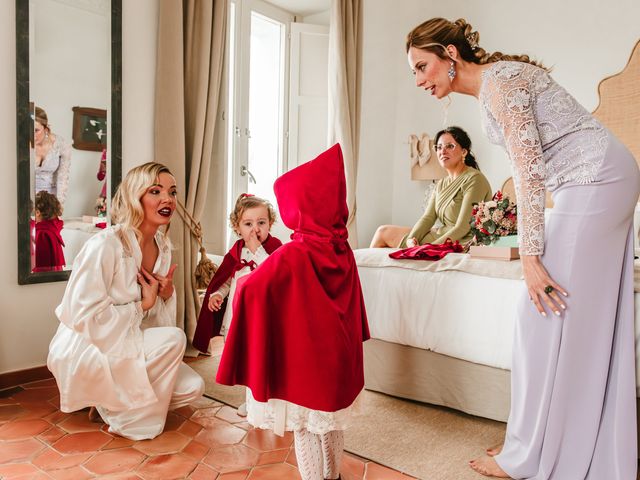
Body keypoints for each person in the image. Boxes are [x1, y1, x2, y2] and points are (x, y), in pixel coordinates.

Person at [405, 18, 639, 479]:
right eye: (413, 72)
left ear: (450, 55)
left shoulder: (500, 84)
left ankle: (531, 451)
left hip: (594, 179)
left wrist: (531, 259)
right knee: (574, 320)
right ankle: (542, 440)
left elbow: (529, 178)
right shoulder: (493, 84)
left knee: (541, 314)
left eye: (422, 66)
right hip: (599, 178)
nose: (419, 80)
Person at [216, 144, 370, 480]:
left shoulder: (295, 253)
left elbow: (251, 288)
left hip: (304, 366)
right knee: (330, 423)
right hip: (337, 363)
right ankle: (334, 477)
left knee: (304, 428)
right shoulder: (342, 249)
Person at [47, 162, 205, 441]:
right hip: (90, 345)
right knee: (175, 340)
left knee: (193, 387)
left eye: (172, 191)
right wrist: (141, 305)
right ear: (136, 196)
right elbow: (82, 316)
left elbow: (155, 321)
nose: (168, 199)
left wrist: (165, 297)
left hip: (131, 339)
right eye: (155, 191)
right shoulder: (106, 245)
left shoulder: (163, 247)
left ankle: (109, 402)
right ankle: (124, 419)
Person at [192, 193, 282, 415]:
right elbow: (227, 279)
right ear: (237, 227)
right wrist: (218, 295)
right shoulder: (236, 252)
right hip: (239, 314)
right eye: (248, 224)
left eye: (261, 223)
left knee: (264, 357)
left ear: (270, 223)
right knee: (247, 359)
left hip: (264, 316)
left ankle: (269, 400)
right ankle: (251, 402)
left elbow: (274, 272)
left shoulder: (275, 248)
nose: (255, 230)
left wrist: (257, 251)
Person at [370, 126, 491, 248]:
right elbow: (428, 217)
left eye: (450, 146)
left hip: (460, 240)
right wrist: (412, 238)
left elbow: (463, 227)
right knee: (382, 231)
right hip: (441, 235)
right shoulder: (441, 184)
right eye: (439, 147)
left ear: (464, 151)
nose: (442, 151)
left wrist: (430, 248)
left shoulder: (474, 179)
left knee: (383, 233)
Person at [33, 107, 71, 206]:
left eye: (36, 130)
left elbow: (63, 177)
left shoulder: (60, 144)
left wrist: (59, 205)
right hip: (27, 197)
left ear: (45, 129)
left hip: (50, 199)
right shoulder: (23, 145)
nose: (32, 135)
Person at [33, 190, 66, 272]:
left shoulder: (42, 234)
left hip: (44, 281)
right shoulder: (52, 229)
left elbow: (40, 267)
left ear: (38, 212)